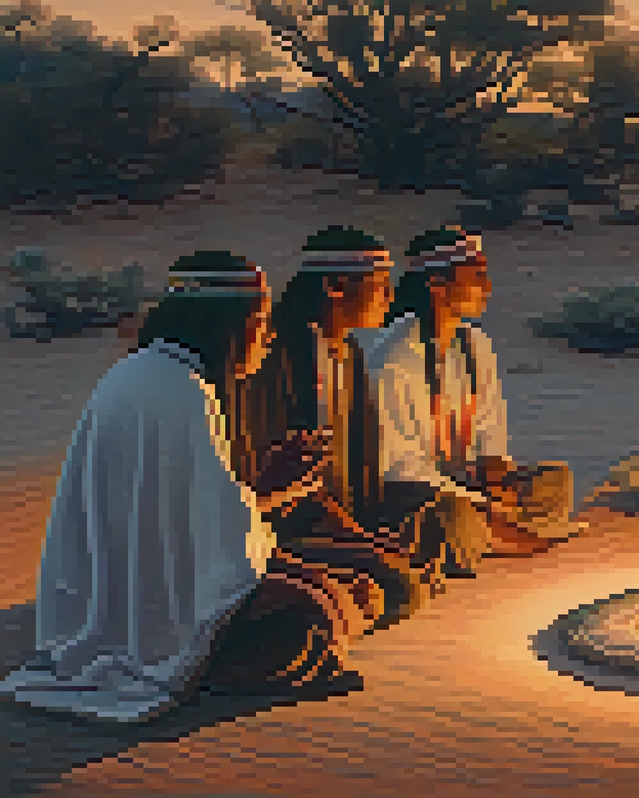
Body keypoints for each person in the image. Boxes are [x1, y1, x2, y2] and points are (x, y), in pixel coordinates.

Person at [0, 252, 381, 722]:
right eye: (259, 322)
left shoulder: (148, 373)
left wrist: (264, 493)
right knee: (312, 614)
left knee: (330, 588)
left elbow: (188, 523)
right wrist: (276, 488)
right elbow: (214, 541)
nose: (268, 337)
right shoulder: (183, 391)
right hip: (154, 615)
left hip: (132, 593)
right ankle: (208, 674)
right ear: (227, 325)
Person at [241, 226, 434, 625]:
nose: (389, 298)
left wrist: (371, 527)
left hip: (341, 515)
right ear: (334, 286)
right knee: (399, 584)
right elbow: (290, 480)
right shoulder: (277, 358)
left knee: (433, 518)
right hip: (286, 525)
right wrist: (361, 539)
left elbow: (362, 467)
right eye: (379, 286)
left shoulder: (349, 353)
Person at [367, 225, 573, 576]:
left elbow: (489, 430)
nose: (487, 288)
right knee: (453, 516)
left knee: (554, 480)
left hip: (466, 483)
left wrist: (497, 473)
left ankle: (489, 531)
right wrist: (480, 502)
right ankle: (487, 532)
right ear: (436, 285)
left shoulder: (476, 344)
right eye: (476, 278)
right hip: (415, 493)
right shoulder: (393, 359)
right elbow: (399, 468)